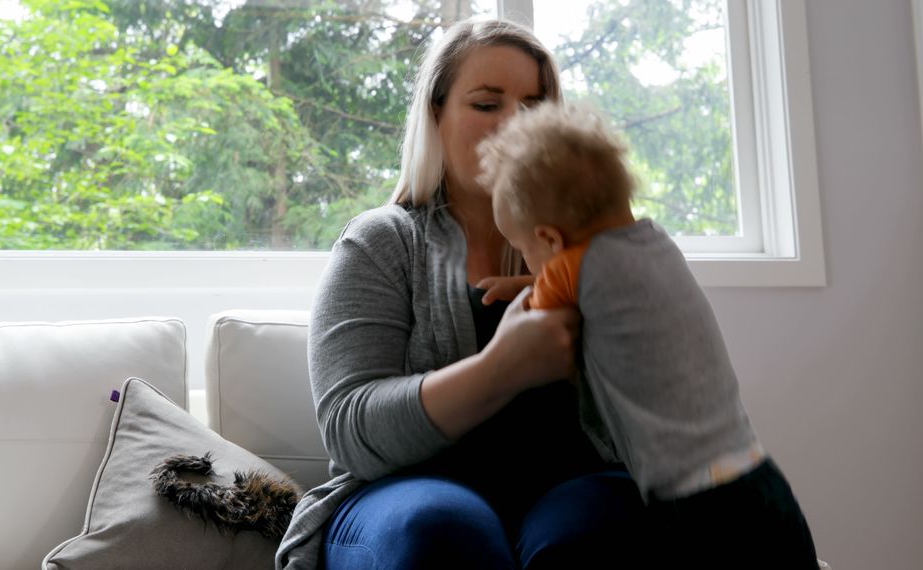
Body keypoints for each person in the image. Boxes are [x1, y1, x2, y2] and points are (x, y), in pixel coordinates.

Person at [276, 18, 648, 570]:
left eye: (534, 104)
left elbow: (663, 403)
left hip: (574, 486)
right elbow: (350, 429)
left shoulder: (600, 253)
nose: (515, 125)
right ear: (436, 114)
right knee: (444, 530)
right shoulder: (381, 242)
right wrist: (504, 366)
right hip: (406, 496)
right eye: (486, 104)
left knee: (598, 531)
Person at [478, 99, 819, 568]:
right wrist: (536, 277)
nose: (529, 263)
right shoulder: (656, 243)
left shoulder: (574, 270)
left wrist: (517, 294)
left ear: (551, 241)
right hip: (757, 476)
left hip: (697, 504)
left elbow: (539, 311)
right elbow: (583, 281)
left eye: (523, 249)